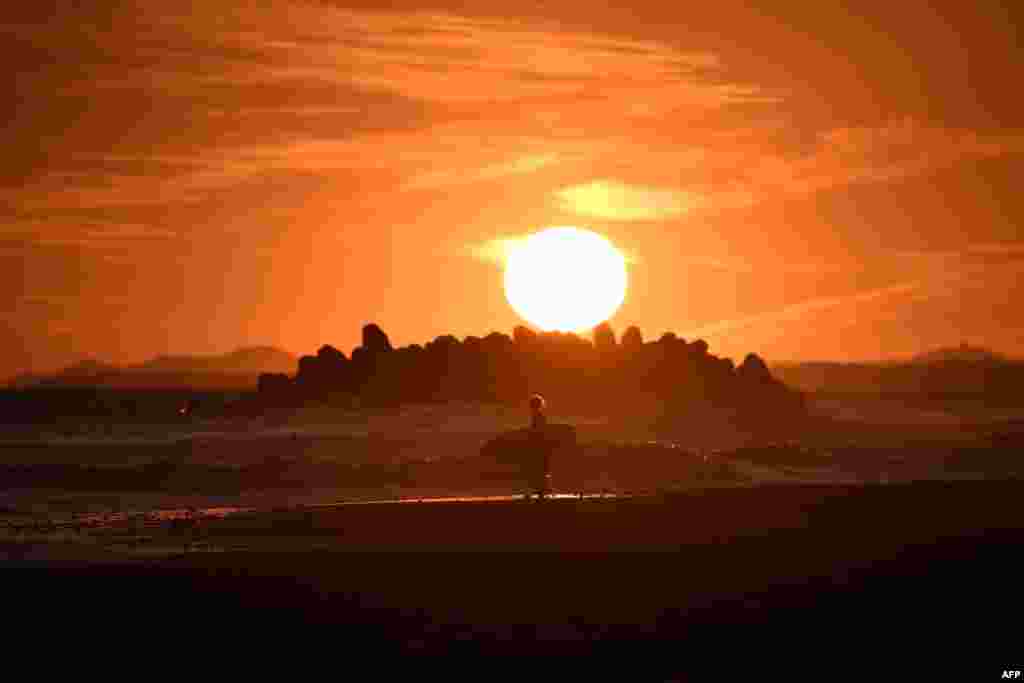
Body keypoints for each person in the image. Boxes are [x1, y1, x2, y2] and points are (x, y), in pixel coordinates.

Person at [527, 394, 552, 499]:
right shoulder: (539, 416)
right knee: (541, 468)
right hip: (541, 445)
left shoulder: (537, 416)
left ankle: (542, 490)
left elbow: (539, 432)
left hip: (539, 446)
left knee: (540, 468)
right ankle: (542, 490)